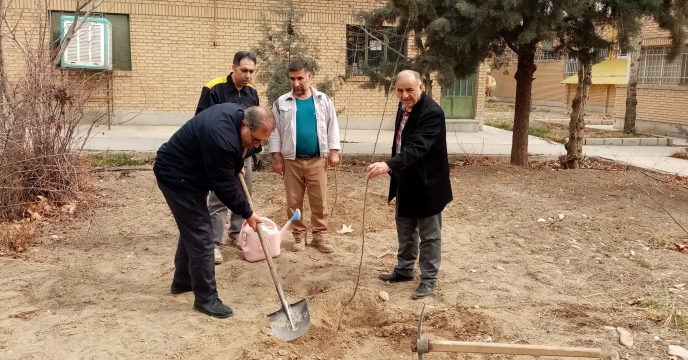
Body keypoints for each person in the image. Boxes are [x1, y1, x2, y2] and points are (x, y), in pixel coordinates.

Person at [153, 104, 274, 318]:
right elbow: (225, 187)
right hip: (177, 177)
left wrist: (237, 162)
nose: (257, 146)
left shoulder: (239, 118)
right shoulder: (221, 138)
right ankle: (206, 298)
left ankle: (183, 281)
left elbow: (235, 156)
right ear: (245, 124)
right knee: (202, 235)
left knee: (192, 229)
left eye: (261, 142)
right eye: (255, 140)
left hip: (194, 174)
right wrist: (248, 214)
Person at [366, 70, 453, 300]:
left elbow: (416, 147)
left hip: (428, 183)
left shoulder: (432, 113)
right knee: (405, 229)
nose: (404, 95)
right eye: (400, 90)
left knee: (429, 235)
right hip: (405, 179)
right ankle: (404, 270)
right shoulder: (404, 108)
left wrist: (388, 165)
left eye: (410, 90)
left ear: (421, 88)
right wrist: (394, 168)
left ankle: (429, 279)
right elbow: (400, 143)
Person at [269, 58, 340, 253]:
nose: (296, 83)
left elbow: (332, 125)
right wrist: (276, 157)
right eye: (292, 79)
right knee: (293, 201)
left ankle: (320, 236)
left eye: (300, 78)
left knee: (320, 200)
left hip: (318, 159)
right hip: (291, 161)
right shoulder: (281, 102)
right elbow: (274, 131)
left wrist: (333, 151)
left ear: (310, 76)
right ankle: (298, 236)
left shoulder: (323, 100)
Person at [195, 51, 260, 265]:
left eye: (251, 71)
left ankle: (235, 235)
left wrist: (245, 158)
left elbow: (255, 128)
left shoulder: (252, 93)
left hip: (243, 155)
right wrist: (231, 161)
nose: (248, 75)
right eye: (244, 70)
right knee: (219, 197)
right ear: (233, 67)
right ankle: (214, 243)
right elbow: (203, 123)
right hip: (220, 155)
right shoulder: (214, 88)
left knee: (244, 193)